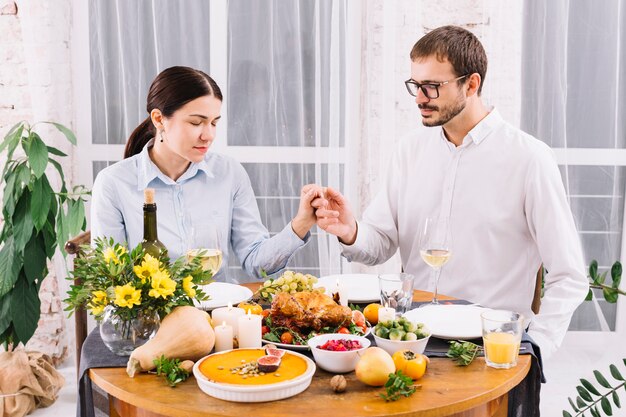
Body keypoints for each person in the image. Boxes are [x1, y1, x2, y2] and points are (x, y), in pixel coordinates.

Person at [311, 25, 588, 358]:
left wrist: (535, 347)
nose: (419, 98)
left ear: (471, 84)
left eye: (432, 86)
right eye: (416, 85)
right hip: (412, 339)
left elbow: (569, 275)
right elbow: (380, 243)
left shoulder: (529, 158)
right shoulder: (408, 151)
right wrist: (351, 231)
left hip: (489, 350)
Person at [91, 66, 322, 282]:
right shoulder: (114, 183)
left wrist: (301, 223)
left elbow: (256, 263)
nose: (208, 135)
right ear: (159, 119)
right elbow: (111, 281)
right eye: (196, 123)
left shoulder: (229, 174)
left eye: (214, 123)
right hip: (150, 320)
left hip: (216, 317)